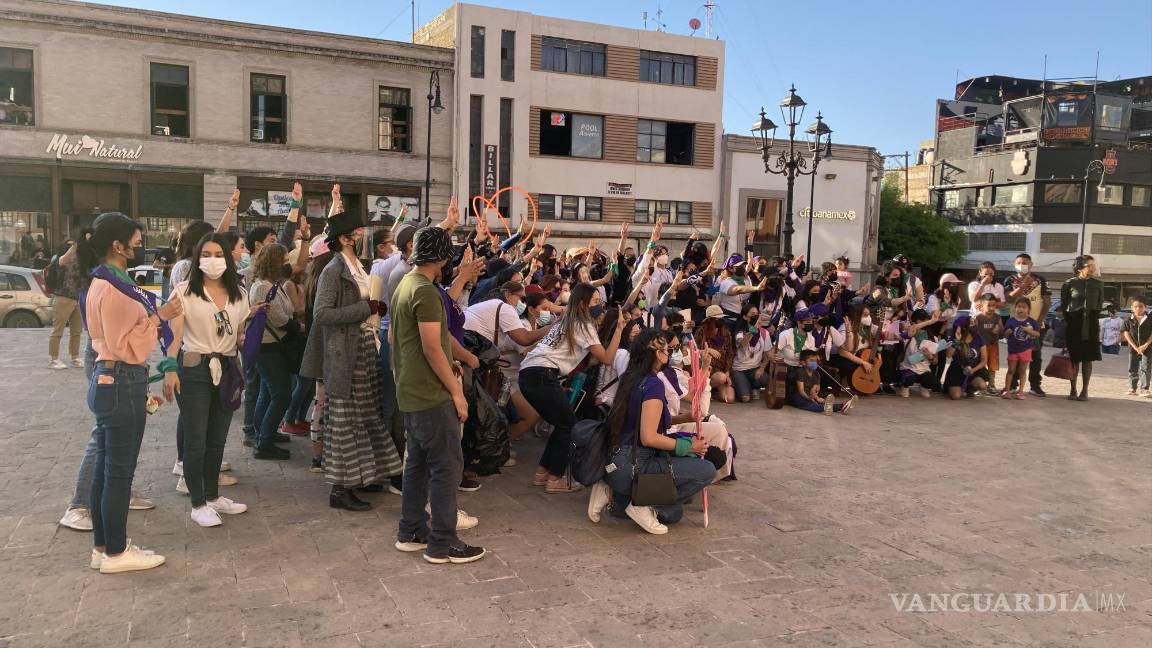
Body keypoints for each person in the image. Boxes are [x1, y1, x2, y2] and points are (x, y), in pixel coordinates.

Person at [78, 212, 182, 573]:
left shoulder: (104, 281)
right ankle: (117, 553)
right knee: (118, 473)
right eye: (135, 241)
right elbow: (127, 346)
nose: (140, 246)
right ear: (117, 246)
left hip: (109, 380)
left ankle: (104, 547)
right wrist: (158, 318)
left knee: (107, 470)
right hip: (121, 378)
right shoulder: (114, 288)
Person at [390, 224, 485, 564]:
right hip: (431, 394)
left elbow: (410, 342)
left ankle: (412, 530)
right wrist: (456, 391)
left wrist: (454, 360)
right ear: (444, 257)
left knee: (415, 464)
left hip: (411, 390)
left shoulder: (406, 284)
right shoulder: (426, 292)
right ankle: (443, 542)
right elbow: (432, 347)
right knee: (446, 467)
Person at [300, 207, 403, 510]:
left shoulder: (355, 265)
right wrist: (366, 309)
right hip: (345, 354)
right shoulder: (334, 269)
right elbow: (322, 314)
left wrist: (373, 309)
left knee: (362, 418)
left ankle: (362, 477)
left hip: (363, 349)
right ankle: (340, 489)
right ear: (345, 238)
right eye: (357, 232)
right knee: (345, 422)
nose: (362, 236)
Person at [165, 233, 252, 527]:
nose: (212, 260)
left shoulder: (240, 293)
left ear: (227, 258)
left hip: (228, 367)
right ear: (198, 257)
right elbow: (174, 338)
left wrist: (247, 338)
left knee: (218, 438)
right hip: (194, 368)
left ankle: (213, 496)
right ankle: (198, 502)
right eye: (206, 254)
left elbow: (237, 334)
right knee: (196, 439)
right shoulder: (184, 292)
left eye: (218, 254)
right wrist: (169, 369)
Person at [595, 329, 717, 534]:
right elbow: (649, 436)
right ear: (651, 352)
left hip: (619, 460)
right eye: (663, 348)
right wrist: (688, 445)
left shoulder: (632, 378)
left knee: (674, 513)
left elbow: (648, 420)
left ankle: (614, 496)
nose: (667, 352)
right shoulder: (652, 384)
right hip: (635, 463)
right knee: (706, 470)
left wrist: (684, 419)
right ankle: (640, 504)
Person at [520, 283, 624, 494]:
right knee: (568, 425)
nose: (599, 306)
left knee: (562, 424)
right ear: (584, 303)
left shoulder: (566, 322)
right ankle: (555, 479)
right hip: (541, 374)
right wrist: (619, 330)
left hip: (531, 373)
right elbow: (606, 358)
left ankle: (543, 473)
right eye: (595, 302)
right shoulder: (583, 325)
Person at [247, 243, 296, 460]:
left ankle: (264, 434)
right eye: (284, 260)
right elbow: (278, 318)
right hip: (268, 348)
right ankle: (264, 442)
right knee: (281, 394)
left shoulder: (270, 284)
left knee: (268, 393)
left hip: (270, 346)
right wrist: (298, 327)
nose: (287, 264)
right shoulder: (264, 287)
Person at [1002, 253, 1050, 396]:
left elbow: (1046, 301)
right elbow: (1008, 299)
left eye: (1025, 262)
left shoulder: (1040, 280)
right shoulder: (1009, 280)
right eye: (1019, 262)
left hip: (1036, 326)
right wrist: (1021, 286)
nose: (1022, 265)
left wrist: (1039, 322)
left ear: (1031, 264)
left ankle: (1035, 385)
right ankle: (1012, 385)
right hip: (1016, 325)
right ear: (1015, 264)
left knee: (1035, 355)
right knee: (1016, 354)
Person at [1060, 255, 1104, 401]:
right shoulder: (1068, 284)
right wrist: (1072, 320)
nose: (1093, 268)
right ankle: (1072, 389)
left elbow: (1099, 304)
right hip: (1074, 323)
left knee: (1088, 358)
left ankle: (1084, 391)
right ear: (1080, 268)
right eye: (1089, 265)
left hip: (1091, 323)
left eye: (1093, 265)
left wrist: (1091, 316)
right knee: (1074, 358)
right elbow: (1064, 306)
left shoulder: (1098, 284)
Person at [47, 239, 84, 369]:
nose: (71, 248)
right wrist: (76, 244)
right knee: (58, 331)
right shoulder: (60, 259)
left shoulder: (79, 260)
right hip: (63, 297)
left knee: (76, 331)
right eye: (68, 245)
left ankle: (75, 357)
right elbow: (64, 259)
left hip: (77, 298)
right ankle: (54, 359)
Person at [1001, 297, 1042, 401]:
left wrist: (1029, 331)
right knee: (1011, 370)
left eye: (1024, 307)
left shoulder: (1032, 321)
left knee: (1022, 371)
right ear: (1015, 308)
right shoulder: (1011, 321)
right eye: (1019, 307)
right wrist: (1007, 333)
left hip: (1026, 350)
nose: (1021, 309)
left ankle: (1020, 391)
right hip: (1013, 349)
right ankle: (1007, 390)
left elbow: (1037, 334)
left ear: (1028, 309)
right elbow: (1004, 336)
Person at [730, 302, 772, 402]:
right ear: (745, 317)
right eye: (753, 314)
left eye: (757, 314)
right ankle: (740, 386)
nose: (756, 316)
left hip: (754, 369)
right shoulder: (740, 331)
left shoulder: (764, 333)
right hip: (739, 369)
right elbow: (742, 344)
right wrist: (753, 330)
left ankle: (753, 387)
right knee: (745, 398)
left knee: (764, 378)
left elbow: (767, 354)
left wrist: (762, 368)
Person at [897, 309, 943, 398]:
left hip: (924, 369)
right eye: (921, 320)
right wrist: (931, 321)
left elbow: (935, 361)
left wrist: (930, 357)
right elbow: (912, 328)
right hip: (908, 367)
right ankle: (905, 387)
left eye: (926, 319)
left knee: (935, 383)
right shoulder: (909, 334)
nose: (924, 322)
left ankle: (924, 386)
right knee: (909, 379)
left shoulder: (932, 338)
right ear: (914, 321)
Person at [790, 349, 853, 414]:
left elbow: (814, 390)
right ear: (803, 362)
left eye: (815, 361)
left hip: (809, 395)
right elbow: (801, 391)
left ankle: (840, 406)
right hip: (798, 396)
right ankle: (840, 406)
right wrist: (809, 398)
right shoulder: (800, 372)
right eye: (811, 360)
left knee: (817, 403)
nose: (814, 363)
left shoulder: (817, 374)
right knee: (810, 405)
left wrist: (816, 398)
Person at [944, 316, 990, 400]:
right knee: (956, 396)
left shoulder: (978, 337)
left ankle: (969, 388)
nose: (975, 325)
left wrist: (973, 370)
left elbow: (984, 360)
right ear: (964, 327)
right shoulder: (954, 338)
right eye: (971, 323)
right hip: (957, 369)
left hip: (974, 369)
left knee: (982, 385)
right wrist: (957, 340)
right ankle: (955, 387)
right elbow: (948, 355)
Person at [971, 294, 1003, 393]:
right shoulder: (978, 317)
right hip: (981, 347)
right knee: (981, 364)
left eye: (993, 306)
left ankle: (991, 385)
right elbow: (972, 331)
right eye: (989, 305)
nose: (991, 308)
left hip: (993, 345)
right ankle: (980, 385)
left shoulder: (997, 317)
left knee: (992, 366)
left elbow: (1002, 330)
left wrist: (999, 330)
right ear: (981, 305)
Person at [1122, 296, 1150, 397]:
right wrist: (1134, 347)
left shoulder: (1150, 319)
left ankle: (1144, 389)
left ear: (1145, 307)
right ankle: (1132, 388)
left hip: (1147, 348)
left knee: (1146, 367)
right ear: (1132, 307)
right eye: (1136, 306)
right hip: (1133, 348)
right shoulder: (1128, 319)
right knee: (1132, 368)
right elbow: (1126, 333)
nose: (1138, 308)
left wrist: (1146, 344)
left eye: (1141, 306)